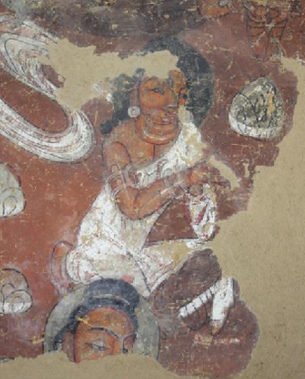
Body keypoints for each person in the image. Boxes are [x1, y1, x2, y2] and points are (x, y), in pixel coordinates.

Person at [62, 59, 229, 302]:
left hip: (146, 251)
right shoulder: (118, 141)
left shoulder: (191, 141)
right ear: (134, 94)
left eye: (181, 93)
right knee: (128, 291)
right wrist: (185, 177)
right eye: (157, 90)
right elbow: (132, 207)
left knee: (205, 263)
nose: (171, 102)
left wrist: (196, 192)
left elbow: (205, 230)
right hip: (105, 247)